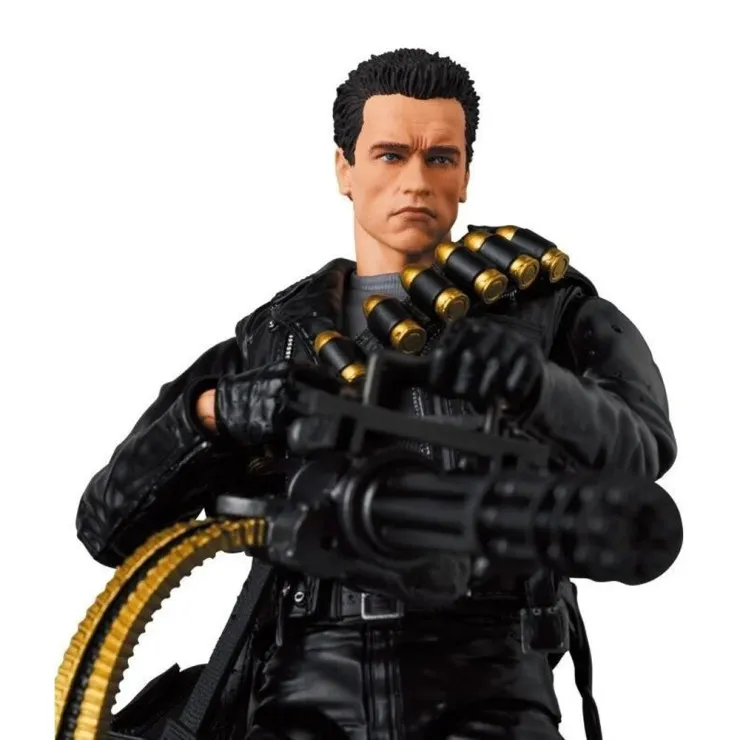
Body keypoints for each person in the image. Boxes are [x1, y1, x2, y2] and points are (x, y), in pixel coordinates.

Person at [75, 48, 677, 740]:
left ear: (466, 174)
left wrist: (540, 389)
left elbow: (641, 456)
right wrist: (213, 416)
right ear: (345, 169)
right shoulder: (280, 335)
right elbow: (106, 525)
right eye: (390, 155)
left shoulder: (545, 309)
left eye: (440, 158)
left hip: (489, 670)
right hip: (307, 677)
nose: (416, 182)